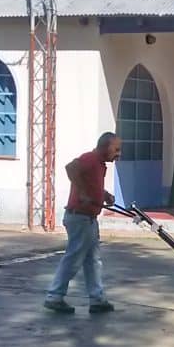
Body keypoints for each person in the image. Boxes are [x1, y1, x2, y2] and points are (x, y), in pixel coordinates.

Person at [44, 132, 122, 314]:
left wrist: (103, 195)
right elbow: (71, 168)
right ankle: (54, 296)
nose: (119, 154)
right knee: (73, 258)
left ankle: (97, 299)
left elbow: (91, 184)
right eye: (116, 149)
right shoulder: (90, 158)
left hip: (89, 218)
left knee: (93, 261)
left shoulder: (100, 165)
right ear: (105, 146)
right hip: (79, 217)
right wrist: (82, 193)